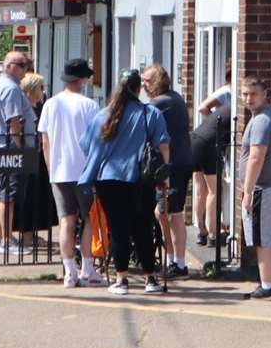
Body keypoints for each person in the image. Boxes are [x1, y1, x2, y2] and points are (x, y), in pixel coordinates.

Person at [79, 70, 171, 295]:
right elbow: (164, 147)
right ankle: (151, 278)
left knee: (118, 230)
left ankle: (122, 280)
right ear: (139, 88)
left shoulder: (103, 116)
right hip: (141, 180)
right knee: (143, 228)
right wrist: (164, 176)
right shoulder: (151, 114)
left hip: (108, 180)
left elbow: (86, 145)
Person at [38, 58, 105, 288]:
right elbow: (97, 140)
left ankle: (69, 273)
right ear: (82, 79)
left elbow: (45, 141)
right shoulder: (89, 105)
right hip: (84, 170)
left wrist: (50, 169)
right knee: (88, 219)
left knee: (65, 221)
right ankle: (88, 269)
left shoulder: (50, 104)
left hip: (59, 170)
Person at [238, 77, 271, 300]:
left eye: (253, 94)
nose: (248, 99)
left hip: (265, 189)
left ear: (264, 94)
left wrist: (248, 191)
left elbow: (256, 157)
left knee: (264, 240)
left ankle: (268, 286)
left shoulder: (261, 121)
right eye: (244, 94)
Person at [144, 64, 193, 280]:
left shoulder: (160, 102)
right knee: (171, 213)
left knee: (167, 213)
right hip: (177, 162)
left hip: (173, 164)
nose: (144, 85)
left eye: (147, 81)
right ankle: (175, 260)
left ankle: (178, 262)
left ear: (157, 81)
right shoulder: (174, 97)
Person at [0, 51, 36, 256]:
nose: (27, 69)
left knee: (1, 193)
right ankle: (6, 240)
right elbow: (14, 120)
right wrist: (20, 144)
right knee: (9, 195)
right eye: (23, 65)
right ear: (10, 66)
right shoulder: (11, 89)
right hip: (10, 148)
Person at [191, 64, 233, 252]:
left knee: (201, 189)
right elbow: (202, 107)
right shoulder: (231, 98)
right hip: (209, 144)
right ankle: (213, 236)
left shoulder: (225, 104)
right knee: (214, 190)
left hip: (196, 138)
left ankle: (201, 231)